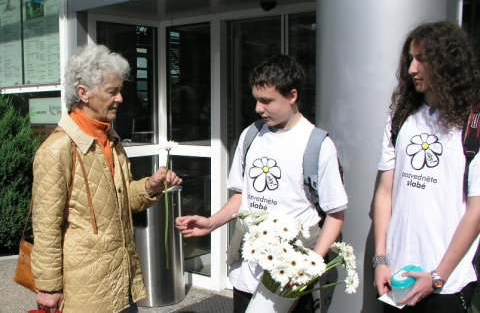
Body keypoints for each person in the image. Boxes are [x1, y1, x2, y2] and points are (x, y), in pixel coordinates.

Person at [175, 54, 347, 312]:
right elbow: (242, 196)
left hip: (289, 282)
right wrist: (211, 223)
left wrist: (307, 268)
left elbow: (335, 214)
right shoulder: (250, 136)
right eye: (256, 99)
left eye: (267, 101)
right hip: (246, 275)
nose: (258, 108)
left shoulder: (318, 146)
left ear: (292, 95)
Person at [31, 44, 182, 313]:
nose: (120, 98)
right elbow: (46, 226)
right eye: (112, 91)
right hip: (84, 292)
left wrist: (150, 186)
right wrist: (48, 287)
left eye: (119, 90)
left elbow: (122, 199)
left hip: (121, 283)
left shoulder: (110, 139)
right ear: (83, 93)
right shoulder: (57, 149)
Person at [373, 21, 480, 313]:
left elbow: (477, 209)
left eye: (422, 59)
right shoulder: (400, 116)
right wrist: (380, 261)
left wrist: (436, 277)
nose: (412, 69)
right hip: (397, 280)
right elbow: (385, 194)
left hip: (446, 283)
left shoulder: (474, 123)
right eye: (410, 58)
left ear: (447, 63)